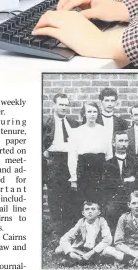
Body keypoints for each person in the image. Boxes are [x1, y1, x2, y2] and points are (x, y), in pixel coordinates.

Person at [43, 93, 80, 234]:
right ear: (54, 105)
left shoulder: (73, 123)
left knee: (70, 196)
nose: (64, 107)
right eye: (61, 104)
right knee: (55, 198)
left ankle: (70, 230)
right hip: (54, 163)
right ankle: (57, 232)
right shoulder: (46, 123)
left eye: (66, 105)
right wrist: (44, 152)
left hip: (70, 162)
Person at [68, 103, 112, 206]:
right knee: (86, 202)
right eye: (89, 112)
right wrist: (74, 178)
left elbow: (109, 155)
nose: (92, 114)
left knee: (100, 202)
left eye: (95, 112)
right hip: (84, 171)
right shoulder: (77, 132)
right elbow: (72, 157)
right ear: (84, 114)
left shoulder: (104, 131)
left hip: (100, 171)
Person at [102, 131, 138, 231]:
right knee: (110, 210)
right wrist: (126, 180)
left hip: (132, 197)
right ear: (113, 143)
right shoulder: (107, 164)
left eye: (125, 141)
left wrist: (122, 181)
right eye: (120, 141)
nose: (123, 144)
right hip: (115, 198)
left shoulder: (135, 162)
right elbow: (107, 184)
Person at [54, 201, 118, 265]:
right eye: (87, 209)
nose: (90, 211)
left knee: (110, 251)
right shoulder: (81, 223)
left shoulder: (102, 222)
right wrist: (70, 253)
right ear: (83, 213)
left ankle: (83, 261)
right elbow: (65, 238)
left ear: (99, 212)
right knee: (59, 249)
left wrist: (91, 253)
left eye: (93, 209)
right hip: (82, 251)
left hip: (96, 251)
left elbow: (107, 239)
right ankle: (81, 260)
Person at [97, 88, 130, 155]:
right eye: (107, 100)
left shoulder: (122, 123)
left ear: (115, 103)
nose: (110, 104)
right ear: (101, 102)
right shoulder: (95, 121)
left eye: (112, 101)